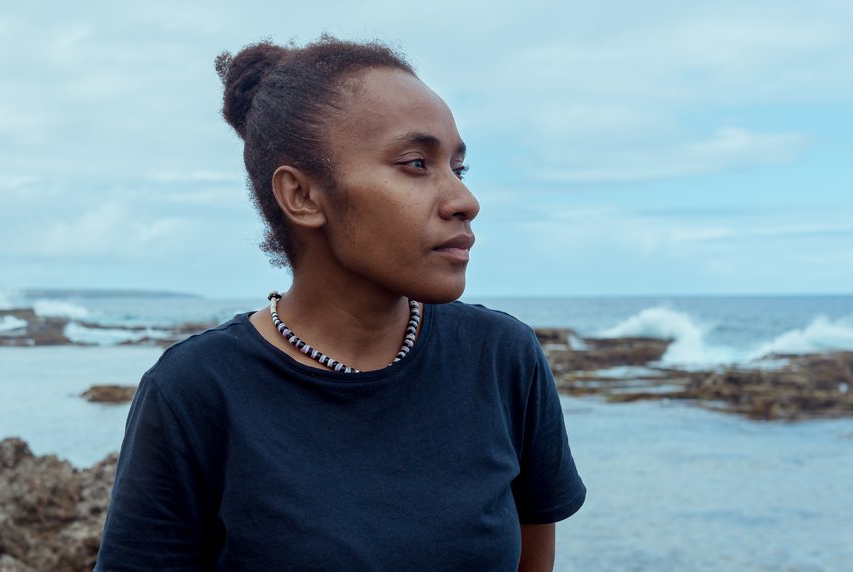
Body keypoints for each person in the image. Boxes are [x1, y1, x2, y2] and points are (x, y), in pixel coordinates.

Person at [95, 36, 586, 571]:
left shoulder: (501, 358)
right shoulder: (197, 390)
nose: (464, 201)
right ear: (303, 197)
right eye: (417, 163)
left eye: (458, 169)